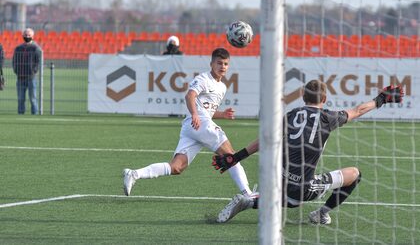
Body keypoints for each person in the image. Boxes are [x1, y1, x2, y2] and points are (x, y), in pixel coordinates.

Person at [212, 80, 404, 224]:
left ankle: (251, 200)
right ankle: (321, 213)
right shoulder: (329, 117)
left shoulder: (291, 115)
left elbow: (264, 140)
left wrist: (235, 157)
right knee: (354, 174)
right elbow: (358, 110)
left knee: (288, 189)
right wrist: (381, 99)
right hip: (301, 187)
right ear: (325, 99)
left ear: (303, 97)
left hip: (276, 178)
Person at [123, 48, 253, 197]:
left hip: (194, 127)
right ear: (211, 64)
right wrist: (194, 114)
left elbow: (207, 110)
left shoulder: (222, 87)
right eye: (219, 63)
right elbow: (190, 96)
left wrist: (222, 114)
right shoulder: (203, 79)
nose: (222, 67)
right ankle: (247, 194)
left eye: (225, 64)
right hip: (199, 123)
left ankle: (134, 174)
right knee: (231, 155)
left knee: (177, 167)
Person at [12, 28, 42, 115]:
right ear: (23, 36)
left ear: (33, 36)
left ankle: (35, 113)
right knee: (20, 98)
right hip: (20, 77)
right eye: (25, 35)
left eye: (29, 35)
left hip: (31, 77)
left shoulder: (36, 48)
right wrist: (16, 70)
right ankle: (20, 113)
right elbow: (14, 60)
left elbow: (39, 61)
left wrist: (34, 71)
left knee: (33, 98)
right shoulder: (18, 48)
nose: (27, 36)